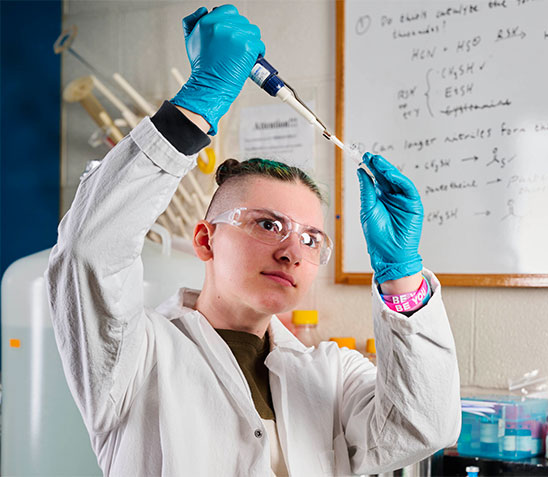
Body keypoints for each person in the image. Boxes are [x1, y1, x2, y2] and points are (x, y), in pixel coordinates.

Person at [45, 5, 461, 476]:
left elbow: (422, 427)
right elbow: (88, 252)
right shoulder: (136, 355)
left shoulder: (332, 374)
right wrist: (196, 106)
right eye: (267, 224)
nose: (292, 251)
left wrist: (401, 275)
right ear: (205, 240)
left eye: (311, 239)